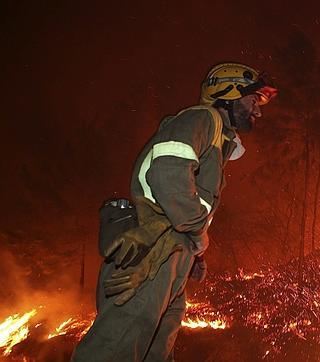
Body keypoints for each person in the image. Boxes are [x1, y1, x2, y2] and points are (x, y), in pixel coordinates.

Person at [72, 62, 277, 361]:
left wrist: (195, 252)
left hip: (172, 255)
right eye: (253, 100)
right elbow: (167, 173)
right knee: (115, 350)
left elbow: (190, 202)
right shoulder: (201, 119)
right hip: (150, 252)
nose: (258, 111)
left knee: (155, 351)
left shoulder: (217, 141)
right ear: (228, 93)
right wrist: (195, 235)